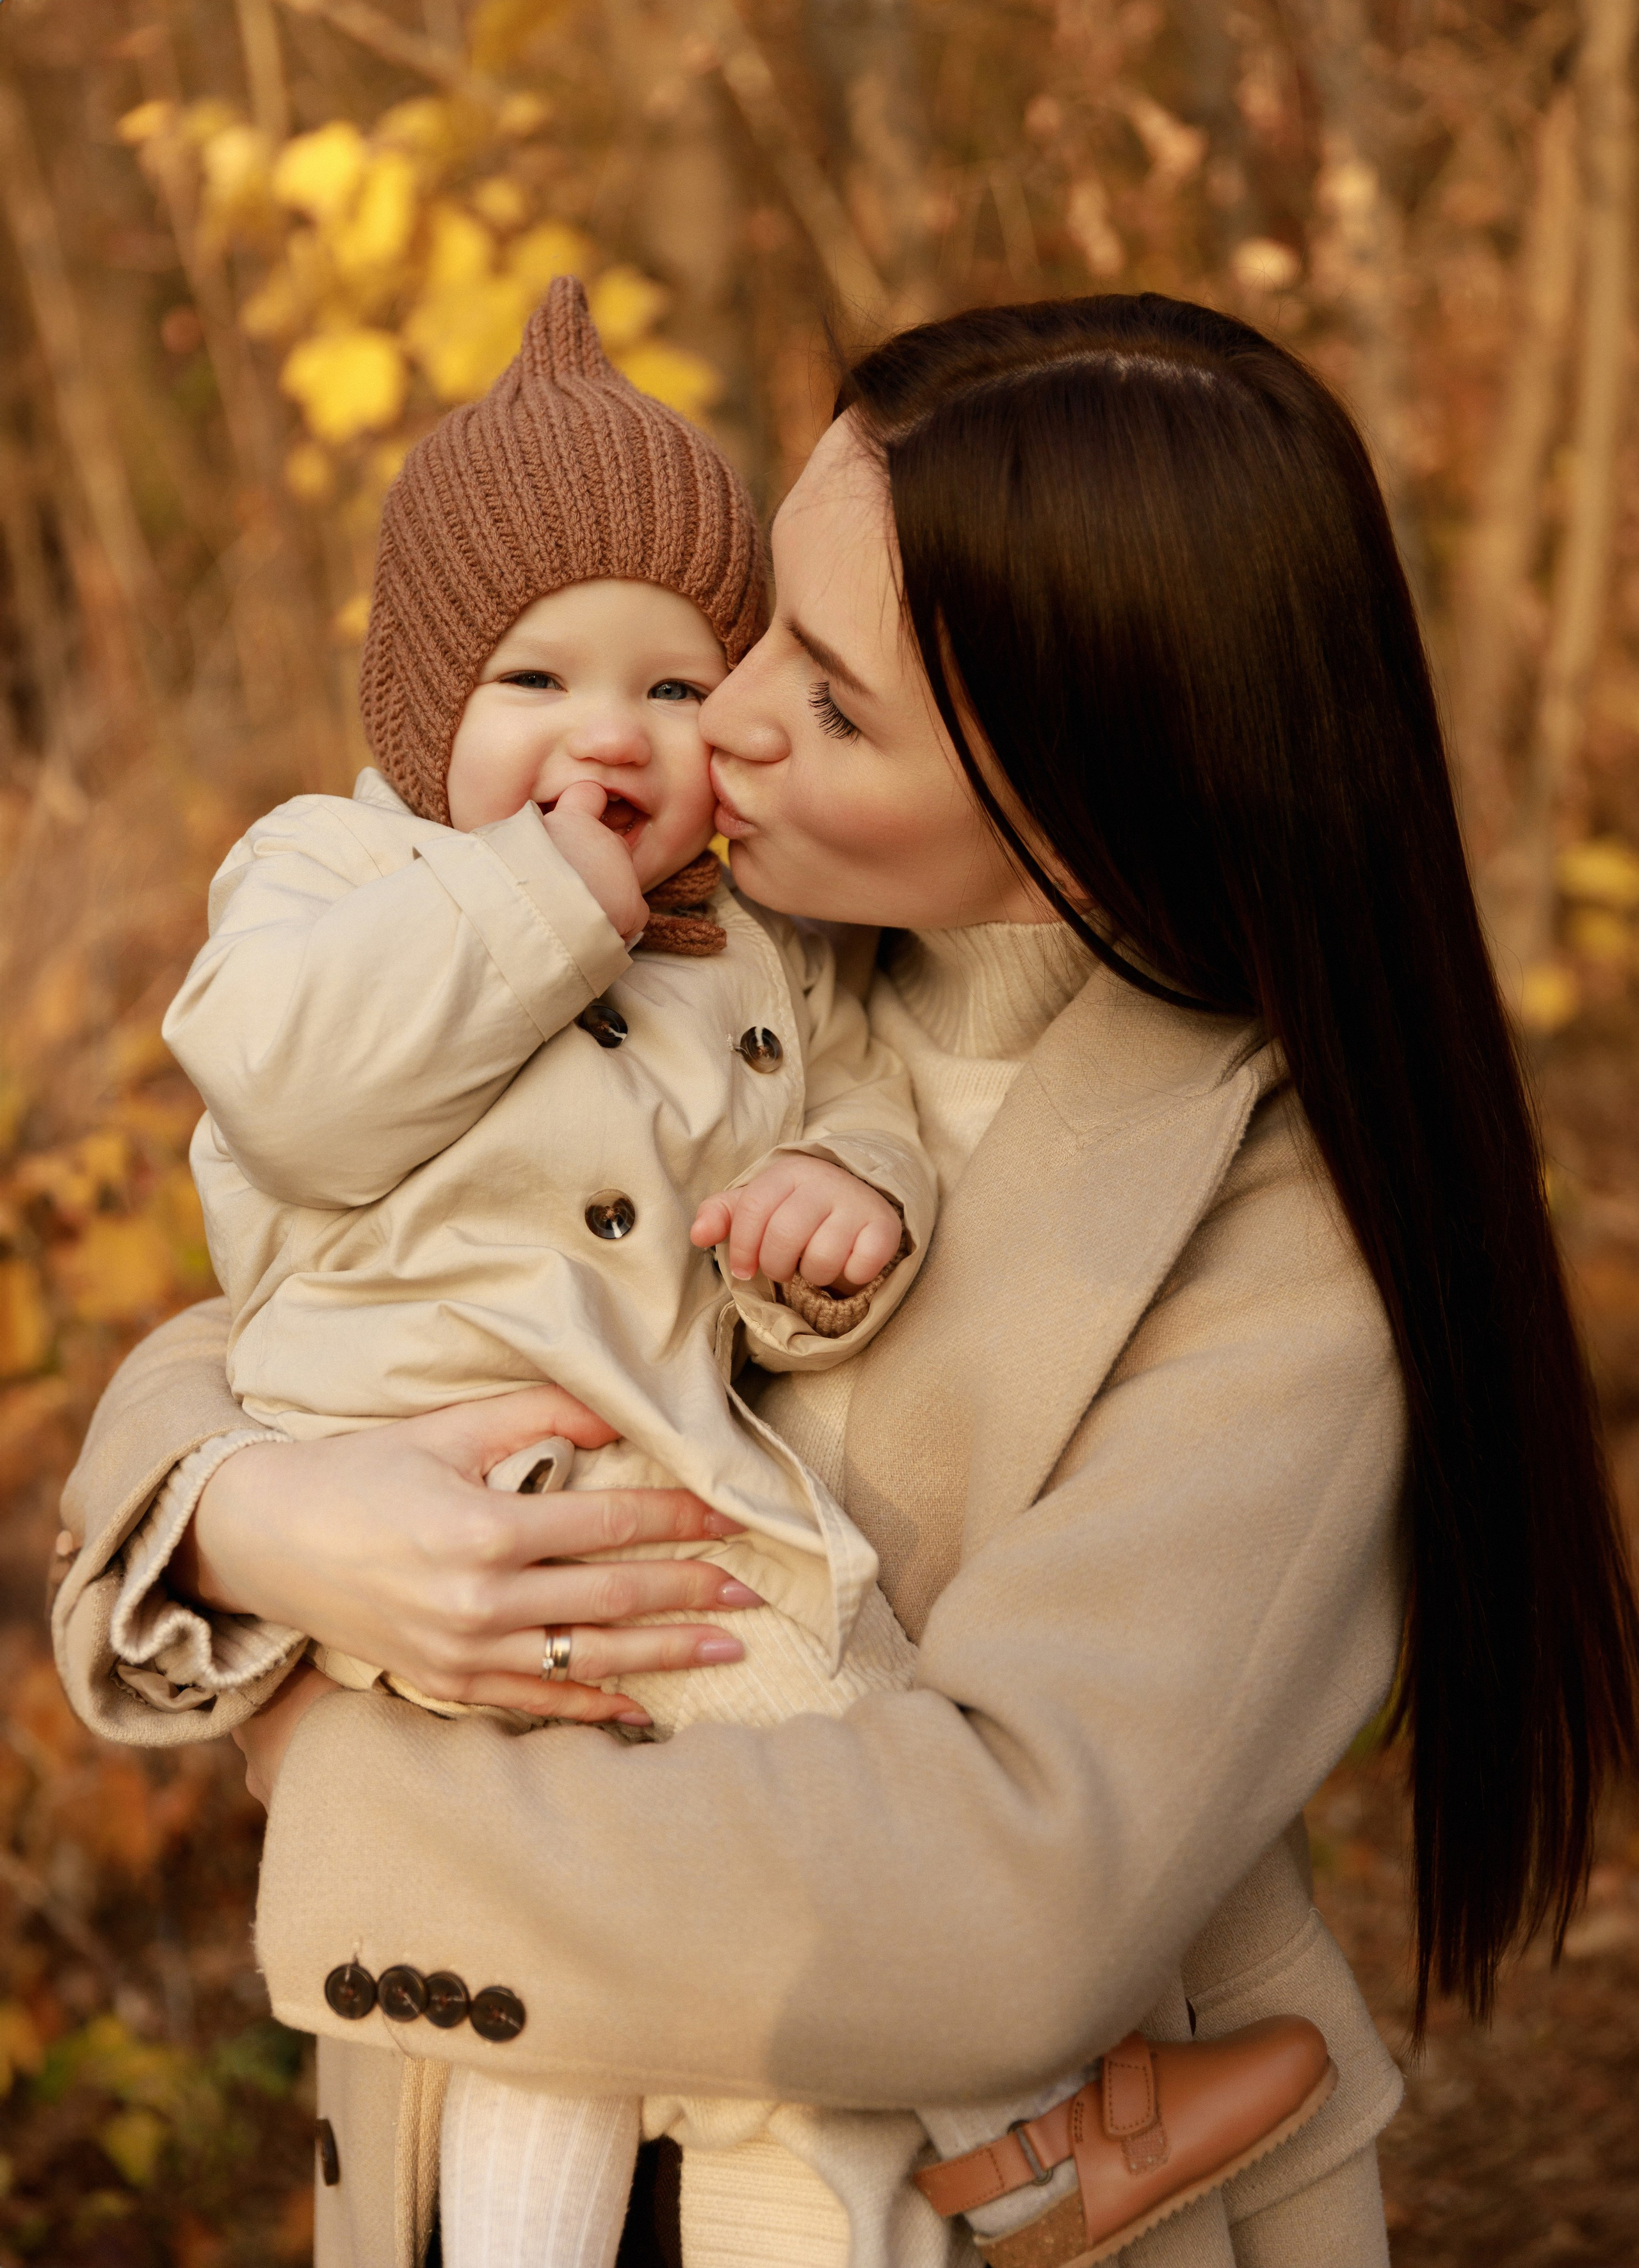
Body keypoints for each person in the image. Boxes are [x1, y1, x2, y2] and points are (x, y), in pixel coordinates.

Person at [54, 293, 1639, 2268]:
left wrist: (322, 1759)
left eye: (826, 693)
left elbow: (996, 1901)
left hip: (929, 2199)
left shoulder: (1282, 1230)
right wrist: (243, 1516)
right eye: (765, 627)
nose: (712, 723)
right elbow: (299, 1286)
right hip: (509, 2140)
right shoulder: (742, 954)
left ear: (1087, 793)